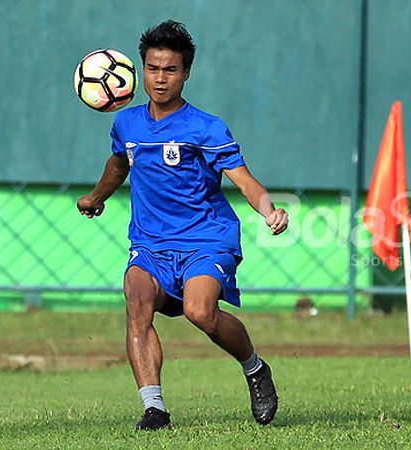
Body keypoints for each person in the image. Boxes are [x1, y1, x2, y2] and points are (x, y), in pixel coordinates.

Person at [77, 20, 286, 430]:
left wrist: (269, 210)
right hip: (151, 244)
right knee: (136, 300)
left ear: (186, 73)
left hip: (207, 239)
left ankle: (255, 368)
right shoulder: (127, 124)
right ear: (140, 70)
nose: (160, 78)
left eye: (170, 70)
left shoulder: (206, 128)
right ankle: (154, 409)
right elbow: (119, 165)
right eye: (153, 68)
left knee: (200, 312)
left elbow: (244, 179)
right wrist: (96, 197)